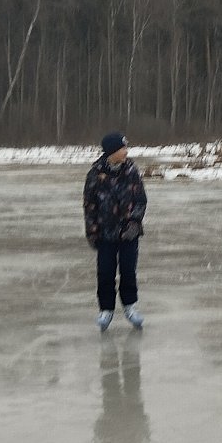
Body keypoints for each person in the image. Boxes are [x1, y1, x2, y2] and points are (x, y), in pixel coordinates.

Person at [84, 132, 146, 331]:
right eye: (123, 148)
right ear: (112, 151)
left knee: (128, 271)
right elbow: (89, 205)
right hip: (105, 233)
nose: (126, 152)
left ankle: (130, 306)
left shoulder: (131, 171)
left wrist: (134, 222)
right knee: (105, 272)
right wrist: (92, 231)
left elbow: (141, 200)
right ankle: (106, 310)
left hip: (129, 233)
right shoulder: (95, 174)